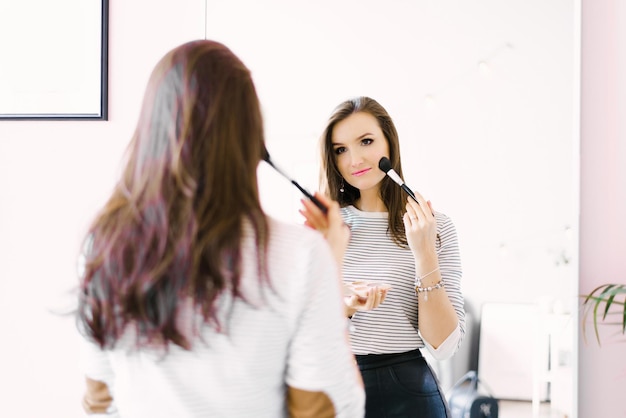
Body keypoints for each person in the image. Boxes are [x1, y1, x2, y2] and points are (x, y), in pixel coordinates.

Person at [75, 40, 365, 418]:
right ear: (249, 136)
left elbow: (100, 401)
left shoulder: (105, 245)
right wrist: (331, 262)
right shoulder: (301, 255)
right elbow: (325, 410)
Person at [300, 96, 465, 417]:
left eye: (366, 141)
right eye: (340, 149)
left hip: (410, 391)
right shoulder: (323, 228)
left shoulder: (434, 225)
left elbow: (443, 346)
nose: (354, 159)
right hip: (335, 388)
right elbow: (303, 337)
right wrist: (345, 305)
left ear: (390, 143)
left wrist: (425, 253)